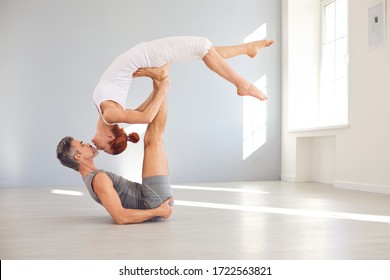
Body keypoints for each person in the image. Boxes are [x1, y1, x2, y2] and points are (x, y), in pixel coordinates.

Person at [92, 36, 274, 155]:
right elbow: (146, 117)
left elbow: (143, 111)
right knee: (202, 46)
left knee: (203, 52)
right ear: (109, 138)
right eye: (102, 148)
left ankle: (248, 48)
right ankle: (243, 85)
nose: (96, 147)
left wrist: (155, 83)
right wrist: (162, 87)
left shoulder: (110, 115)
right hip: (148, 55)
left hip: (147, 57)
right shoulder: (110, 115)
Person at [57, 77, 173, 225]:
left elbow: (138, 113)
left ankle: (160, 79)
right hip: (155, 201)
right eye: (82, 145)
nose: (86, 143)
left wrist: (158, 89)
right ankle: (160, 78)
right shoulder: (98, 179)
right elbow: (120, 217)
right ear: (78, 156)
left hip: (151, 196)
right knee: (154, 138)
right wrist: (158, 211)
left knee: (154, 138)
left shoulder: (95, 176)